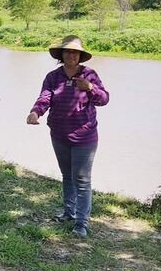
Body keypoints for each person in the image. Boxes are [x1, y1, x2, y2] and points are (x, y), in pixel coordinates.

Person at [26, 35, 109, 239]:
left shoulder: (90, 75)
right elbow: (45, 98)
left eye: (75, 52)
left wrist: (90, 88)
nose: (71, 55)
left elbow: (104, 99)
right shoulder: (53, 77)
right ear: (61, 55)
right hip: (59, 134)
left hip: (85, 136)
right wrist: (35, 112)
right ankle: (68, 212)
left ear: (80, 56)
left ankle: (82, 223)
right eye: (68, 51)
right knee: (67, 176)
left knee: (82, 179)